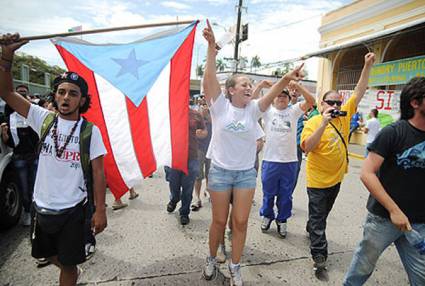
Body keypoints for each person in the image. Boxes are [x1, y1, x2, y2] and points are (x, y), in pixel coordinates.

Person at [201, 20, 304, 286]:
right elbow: (210, 78)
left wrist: (287, 77)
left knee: (241, 222)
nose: (249, 87)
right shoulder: (219, 106)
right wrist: (212, 50)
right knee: (219, 221)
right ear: (231, 90)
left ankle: (236, 266)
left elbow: (269, 95)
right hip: (221, 173)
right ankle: (212, 259)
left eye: (251, 84)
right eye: (244, 84)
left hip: (245, 174)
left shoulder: (254, 109)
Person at [0, 33, 107, 286]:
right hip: (42, 207)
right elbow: (5, 91)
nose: (66, 97)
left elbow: (99, 173)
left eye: (72, 93)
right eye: (61, 92)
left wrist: (100, 210)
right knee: (45, 254)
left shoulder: (90, 131)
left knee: (68, 264)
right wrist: (6, 56)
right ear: (55, 96)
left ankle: (71, 274)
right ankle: (72, 272)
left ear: (82, 100)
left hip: (73, 210)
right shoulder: (42, 118)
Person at [343, 77, 425, 285]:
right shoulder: (394, 133)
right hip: (383, 219)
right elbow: (367, 173)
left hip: (418, 224)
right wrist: (394, 210)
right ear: (415, 103)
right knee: (361, 269)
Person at [300, 52, 375, 273]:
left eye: (338, 102)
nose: (335, 105)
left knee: (321, 215)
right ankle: (319, 254)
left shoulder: (344, 116)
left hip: (336, 178)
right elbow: (307, 147)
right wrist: (323, 122)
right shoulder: (314, 121)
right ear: (322, 104)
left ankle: (312, 228)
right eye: (331, 102)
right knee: (318, 219)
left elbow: (360, 90)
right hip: (317, 181)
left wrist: (367, 65)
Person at [260, 81, 315, 237]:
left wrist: (299, 87)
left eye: (284, 96)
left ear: (289, 98)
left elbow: (311, 101)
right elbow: (255, 99)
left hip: (289, 162)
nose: (281, 98)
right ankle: (267, 216)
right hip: (270, 161)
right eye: (278, 95)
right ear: (273, 98)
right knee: (268, 193)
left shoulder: (294, 111)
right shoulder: (267, 111)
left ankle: (282, 220)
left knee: (286, 195)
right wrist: (264, 86)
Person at [0, 85, 39, 226]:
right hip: (19, 158)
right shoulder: (9, 118)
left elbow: (38, 138)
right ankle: (28, 212)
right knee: (23, 188)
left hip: (34, 156)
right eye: (19, 94)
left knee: (35, 186)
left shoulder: (34, 116)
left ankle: (36, 213)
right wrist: (5, 134)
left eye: (24, 94)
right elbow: (10, 142)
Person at [165, 108, 206, 225]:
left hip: (192, 157)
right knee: (174, 184)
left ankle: (184, 212)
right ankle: (174, 199)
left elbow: (204, 130)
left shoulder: (196, 114)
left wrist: (201, 133)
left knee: (188, 188)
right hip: (174, 157)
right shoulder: (169, 111)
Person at [192, 96, 212, 211]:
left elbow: (214, 122)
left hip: (211, 147)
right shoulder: (195, 111)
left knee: (210, 173)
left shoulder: (214, 112)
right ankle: (197, 198)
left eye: (205, 100)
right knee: (198, 174)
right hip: (199, 147)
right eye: (202, 100)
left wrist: (207, 115)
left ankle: (208, 190)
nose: (203, 103)